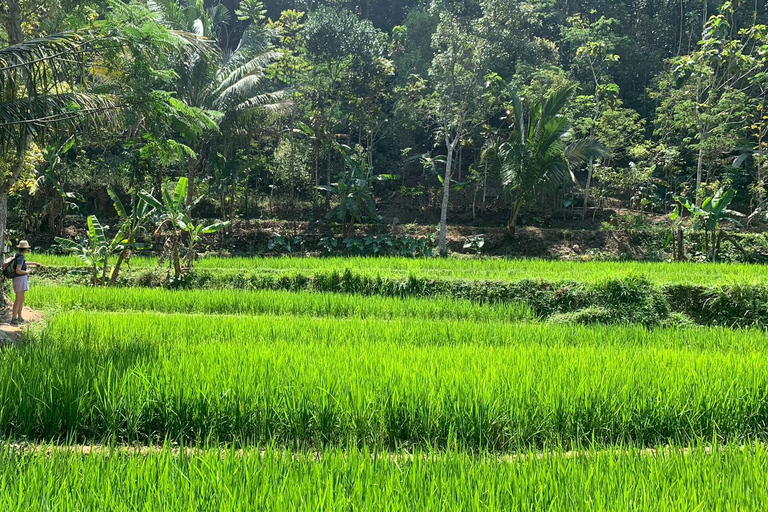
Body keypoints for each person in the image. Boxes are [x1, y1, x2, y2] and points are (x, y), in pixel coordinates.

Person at [10, 241, 41, 325]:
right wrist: (27, 272)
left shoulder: (19, 256)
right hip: (20, 279)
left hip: (20, 279)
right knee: (18, 300)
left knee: (21, 299)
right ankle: (14, 319)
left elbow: (24, 263)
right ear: (26, 249)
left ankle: (19, 317)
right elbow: (18, 270)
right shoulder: (20, 258)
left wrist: (34, 263)